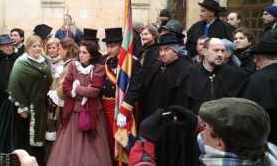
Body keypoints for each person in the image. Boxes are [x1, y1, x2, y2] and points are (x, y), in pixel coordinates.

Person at [118, 33, 195, 166]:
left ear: (176, 50)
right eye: (161, 50)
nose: (162, 53)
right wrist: (125, 108)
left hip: (173, 126)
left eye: (166, 49)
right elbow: (137, 86)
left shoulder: (187, 69)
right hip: (151, 122)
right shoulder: (155, 66)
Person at [138, 98, 277, 166]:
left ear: (220, 144)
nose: (202, 132)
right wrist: (197, 123)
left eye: (206, 128)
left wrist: (145, 145)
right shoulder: (268, 152)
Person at [47, 41, 112, 166]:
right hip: (74, 112)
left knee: (93, 146)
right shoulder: (73, 66)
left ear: (91, 55)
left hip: (92, 112)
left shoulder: (98, 69)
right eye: (80, 52)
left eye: (84, 52)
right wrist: (80, 90)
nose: (81, 55)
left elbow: (95, 91)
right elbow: (66, 86)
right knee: (70, 145)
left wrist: (76, 88)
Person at [7, 35, 53, 165]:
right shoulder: (21, 63)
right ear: (28, 47)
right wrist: (22, 107)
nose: (37, 48)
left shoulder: (45, 60)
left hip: (43, 105)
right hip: (28, 108)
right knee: (28, 139)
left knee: (42, 136)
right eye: (34, 46)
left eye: (39, 46)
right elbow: (14, 85)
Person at [182, 38, 248, 113]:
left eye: (222, 51)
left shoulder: (234, 74)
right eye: (216, 50)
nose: (220, 54)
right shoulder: (190, 73)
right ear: (204, 51)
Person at [237, 37, 277, 145]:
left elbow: (245, 113)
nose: (254, 61)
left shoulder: (258, 79)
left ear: (259, 57)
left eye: (255, 58)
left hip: (266, 143)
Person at [100, 27, 123, 159]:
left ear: (121, 46)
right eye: (107, 46)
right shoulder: (105, 61)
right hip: (105, 104)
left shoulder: (130, 62)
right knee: (108, 137)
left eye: (112, 46)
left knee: (119, 138)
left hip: (120, 105)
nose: (109, 50)